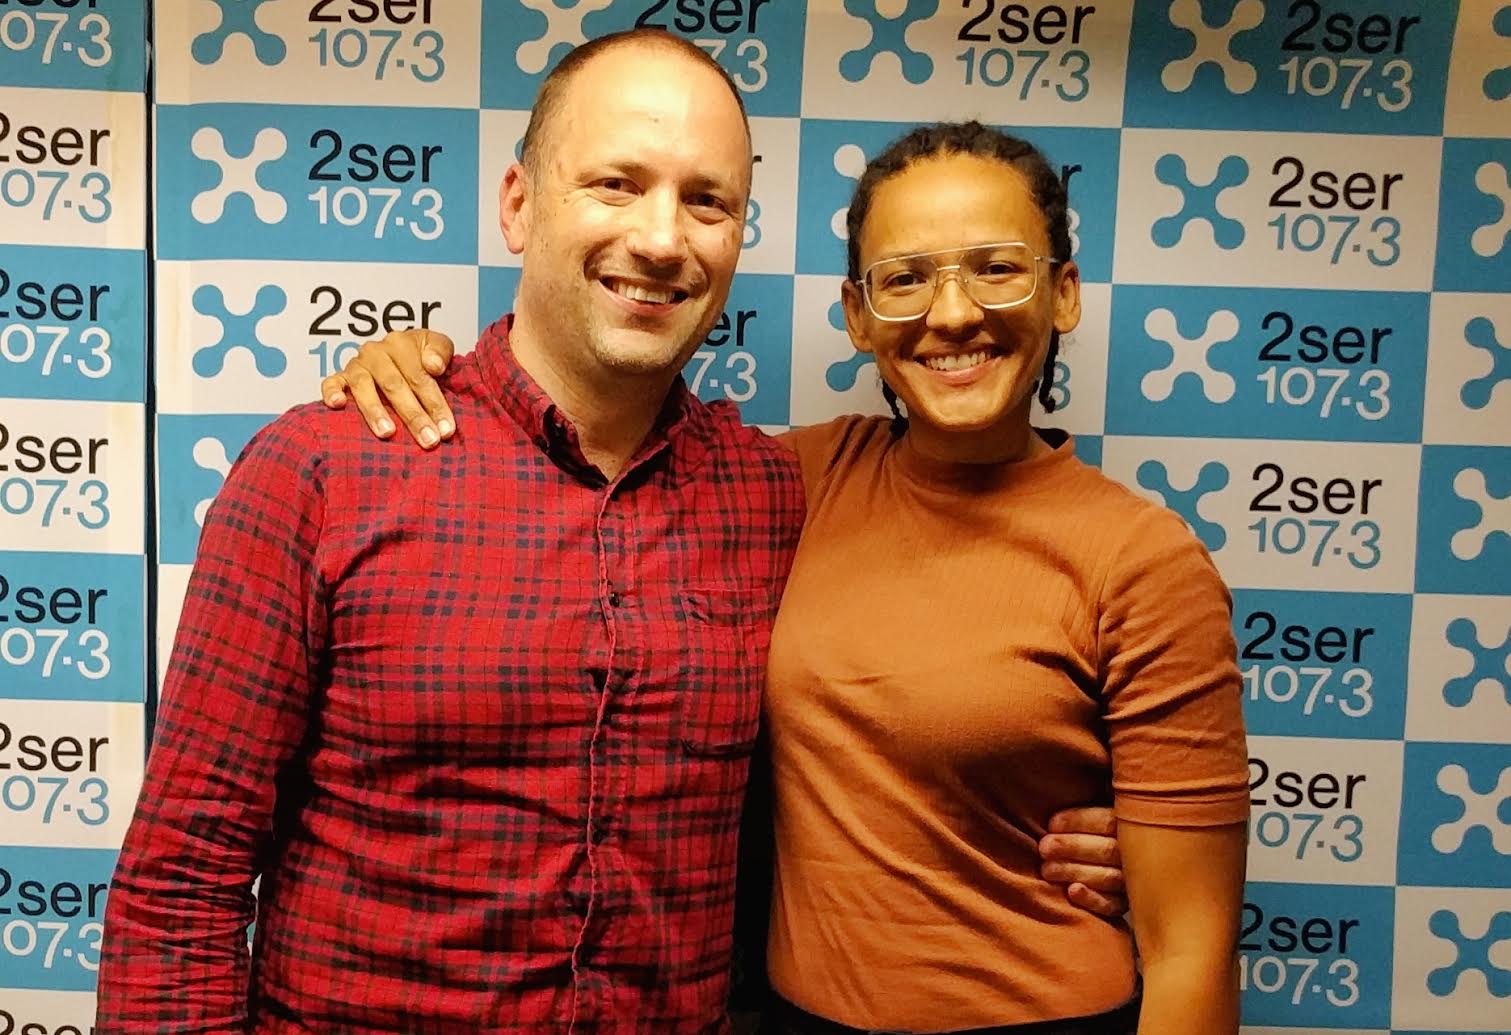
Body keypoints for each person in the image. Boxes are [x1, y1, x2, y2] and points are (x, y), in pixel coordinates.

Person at [98, 32, 1123, 1035]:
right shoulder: (326, 468)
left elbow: (925, 677)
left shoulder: (780, 494)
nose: (662, 239)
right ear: (517, 204)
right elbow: (183, 877)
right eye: (616, 184)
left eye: (706, 201)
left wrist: (1110, 829)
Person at [330, 121, 1251, 1034]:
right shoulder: (790, 482)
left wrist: (1139, 842)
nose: (953, 312)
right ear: (857, 314)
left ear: (1064, 294)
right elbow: (593, 449)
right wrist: (419, 364)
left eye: (997, 268)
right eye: (905, 278)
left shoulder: (1140, 557)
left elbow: (1192, 951)